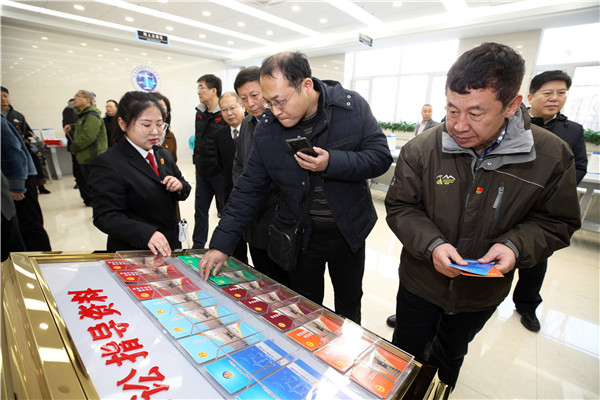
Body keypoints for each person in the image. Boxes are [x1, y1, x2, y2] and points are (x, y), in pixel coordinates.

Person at [385, 42, 581, 389]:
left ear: (512, 105)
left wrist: (515, 246)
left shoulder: (551, 156)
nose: (458, 125)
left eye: (475, 113)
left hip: (480, 293)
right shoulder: (423, 148)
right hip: (420, 282)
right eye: (452, 109)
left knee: (449, 358)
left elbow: (556, 221)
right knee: (405, 355)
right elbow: (402, 207)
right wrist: (432, 244)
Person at [198, 51, 393, 324]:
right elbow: (249, 188)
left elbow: (380, 157)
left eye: (280, 101)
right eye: (268, 102)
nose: (275, 111)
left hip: (348, 231)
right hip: (299, 234)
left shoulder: (351, 107)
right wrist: (220, 244)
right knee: (304, 306)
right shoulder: (269, 128)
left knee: (349, 303)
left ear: (306, 86)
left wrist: (332, 162)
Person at [512, 70, 588, 332]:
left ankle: (526, 306)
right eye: (548, 93)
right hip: (509, 203)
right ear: (530, 97)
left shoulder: (572, 131)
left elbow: (578, 167)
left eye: (561, 93)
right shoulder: (511, 123)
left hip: (541, 210)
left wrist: (551, 193)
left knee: (535, 260)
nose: (555, 98)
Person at [88, 91, 191, 256]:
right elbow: (106, 216)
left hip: (169, 244)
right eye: (146, 125)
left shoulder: (162, 154)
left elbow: (184, 186)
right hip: (135, 251)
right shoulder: (108, 163)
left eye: (159, 124)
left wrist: (179, 186)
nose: (155, 132)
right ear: (123, 124)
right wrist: (146, 233)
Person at [232, 66, 289, 286]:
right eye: (244, 98)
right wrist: (246, 193)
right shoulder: (247, 123)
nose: (251, 103)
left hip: (279, 216)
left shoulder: (285, 121)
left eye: (255, 95)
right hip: (253, 216)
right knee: (262, 277)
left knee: (283, 281)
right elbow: (239, 164)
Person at [1, 115, 51, 253]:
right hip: (12, 180)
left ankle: (42, 258)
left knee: (29, 224)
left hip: (20, 179)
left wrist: (16, 186)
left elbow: (13, 152)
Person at [192, 74, 228, 248]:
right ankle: (197, 246)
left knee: (225, 212)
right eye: (198, 88)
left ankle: (223, 245)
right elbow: (198, 141)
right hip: (202, 172)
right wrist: (196, 163)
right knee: (200, 211)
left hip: (220, 174)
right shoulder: (199, 113)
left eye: (201, 87)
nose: (199, 92)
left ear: (213, 91)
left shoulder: (225, 114)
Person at [213, 92, 248, 263]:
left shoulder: (256, 130)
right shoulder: (219, 136)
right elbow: (223, 167)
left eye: (232, 108)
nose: (229, 113)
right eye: (224, 110)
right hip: (231, 196)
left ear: (242, 107)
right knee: (236, 246)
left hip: (256, 196)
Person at [1, 87, 51, 194]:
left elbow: (26, 131)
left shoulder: (18, 115)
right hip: (5, 154)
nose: (3, 99)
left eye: (5, 96)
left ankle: (39, 185)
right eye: (0, 96)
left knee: (31, 176)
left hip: (21, 150)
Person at [71, 89, 108, 206]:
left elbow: (88, 136)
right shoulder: (83, 115)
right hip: (86, 157)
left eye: (78, 96)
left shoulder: (92, 116)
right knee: (89, 185)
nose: (75, 98)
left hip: (92, 157)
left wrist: (74, 147)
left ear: (87, 100)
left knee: (96, 186)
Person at [151, 92, 178, 162]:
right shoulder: (140, 137)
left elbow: (173, 162)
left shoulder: (170, 136)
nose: (160, 115)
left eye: (163, 111)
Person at [62, 98, 81, 190]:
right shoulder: (69, 111)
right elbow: (69, 130)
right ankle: (78, 181)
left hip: (80, 144)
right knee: (77, 163)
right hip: (76, 143)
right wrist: (75, 145)